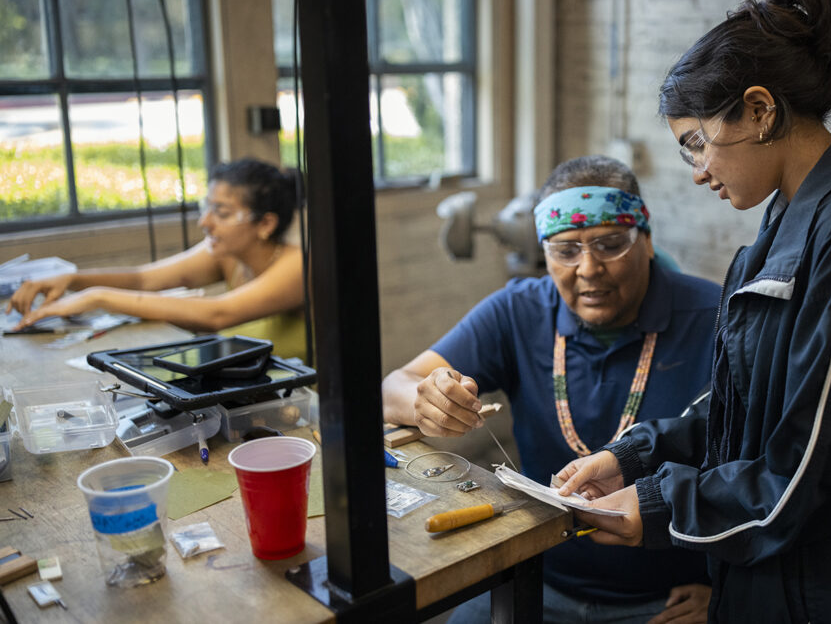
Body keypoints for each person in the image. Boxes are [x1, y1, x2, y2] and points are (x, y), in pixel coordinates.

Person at [555, 0, 831, 623]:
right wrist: (634, 455)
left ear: (760, 110)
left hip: (828, 597)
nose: (696, 170)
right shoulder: (789, 225)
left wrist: (660, 505)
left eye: (696, 142)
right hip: (775, 581)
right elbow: (749, 395)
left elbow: (818, 475)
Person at [382, 155, 719, 623]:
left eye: (609, 244)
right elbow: (392, 387)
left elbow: (760, 469)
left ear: (646, 239)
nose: (588, 269)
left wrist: (723, 591)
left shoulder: (716, 318)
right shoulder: (519, 310)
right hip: (534, 571)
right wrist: (427, 400)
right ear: (544, 252)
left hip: (666, 598)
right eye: (565, 250)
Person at [6, 158, 308, 361]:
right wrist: (73, 279)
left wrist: (98, 297)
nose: (205, 222)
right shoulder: (228, 254)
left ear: (266, 224)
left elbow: (218, 313)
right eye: (207, 207)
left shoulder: (297, 266)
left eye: (222, 213)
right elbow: (143, 278)